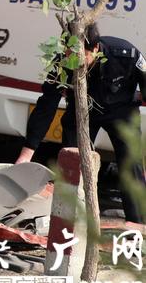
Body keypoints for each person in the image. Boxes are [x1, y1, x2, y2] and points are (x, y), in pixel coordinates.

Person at [16, 23, 146, 224]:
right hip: (83, 112)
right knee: (72, 163)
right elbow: (46, 105)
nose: (73, 62)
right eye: (68, 55)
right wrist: (26, 154)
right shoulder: (62, 63)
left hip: (122, 111)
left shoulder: (125, 54)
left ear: (95, 49)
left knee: (132, 166)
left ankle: (138, 227)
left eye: (79, 56)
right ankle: (67, 222)